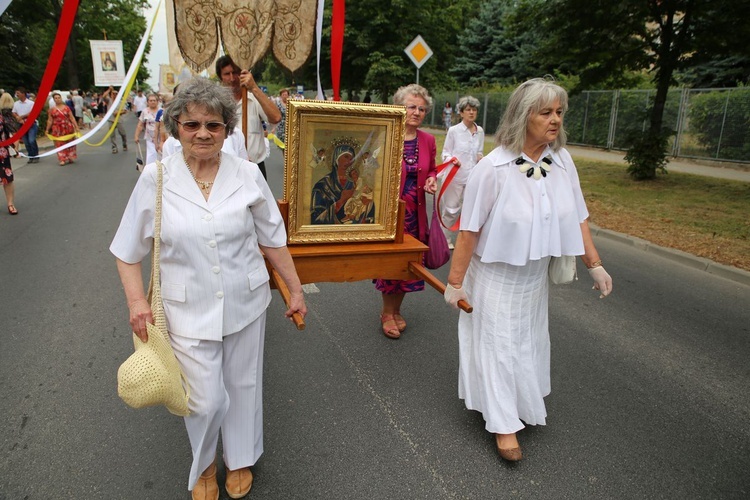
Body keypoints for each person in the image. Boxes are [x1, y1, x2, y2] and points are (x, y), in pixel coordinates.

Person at [110, 77, 307, 500]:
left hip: (247, 299)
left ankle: (240, 459)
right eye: (191, 124)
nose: (202, 133)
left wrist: (295, 290)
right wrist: (136, 302)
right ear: (175, 126)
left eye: (213, 125)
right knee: (205, 399)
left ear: (227, 129)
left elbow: (273, 240)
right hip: (186, 308)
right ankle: (203, 465)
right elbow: (127, 250)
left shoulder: (248, 174)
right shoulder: (156, 179)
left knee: (244, 387)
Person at [444, 78, 613, 462]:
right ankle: (503, 425)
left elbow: (580, 218)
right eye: (546, 112)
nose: (555, 120)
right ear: (523, 115)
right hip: (495, 278)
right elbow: (469, 231)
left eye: (559, 113)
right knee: (499, 346)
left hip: (534, 279)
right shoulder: (493, 168)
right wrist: (455, 284)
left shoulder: (562, 160)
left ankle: (518, 403)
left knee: (527, 344)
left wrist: (595, 264)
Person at [374, 84, 438, 339]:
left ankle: (397, 309)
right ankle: (387, 312)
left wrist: (433, 179)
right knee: (390, 264)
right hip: (389, 214)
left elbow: (431, 168)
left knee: (407, 266)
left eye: (422, 109)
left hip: (415, 214)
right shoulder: (386, 133)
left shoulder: (428, 140)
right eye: (412, 106)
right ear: (399, 107)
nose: (417, 112)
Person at [215, 55, 281, 179]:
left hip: (255, 169)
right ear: (221, 77)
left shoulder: (254, 99)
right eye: (227, 74)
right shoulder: (216, 105)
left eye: (235, 73)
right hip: (226, 172)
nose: (232, 78)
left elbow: (276, 117)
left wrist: (254, 87)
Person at [439, 95, 485, 247]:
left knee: (470, 209)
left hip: (473, 177)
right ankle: (444, 239)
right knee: (451, 209)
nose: (472, 112)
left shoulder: (480, 131)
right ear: (461, 112)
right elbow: (445, 153)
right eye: (468, 110)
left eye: (474, 110)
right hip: (455, 176)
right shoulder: (454, 131)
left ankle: (464, 240)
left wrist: (480, 157)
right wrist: (452, 160)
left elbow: (479, 151)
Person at [310, 139, 375, 225]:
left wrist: (367, 203)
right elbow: (315, 219)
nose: (349, 161)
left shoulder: (358, 182)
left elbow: (368, 203)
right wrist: (341, 200)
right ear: (336, 158)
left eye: (352, 158)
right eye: (346, 157)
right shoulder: (322, 185)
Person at [45, 92, 79, 166]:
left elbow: (72, 118)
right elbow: (50, 120)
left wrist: (76, 127)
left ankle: (70, 156)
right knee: (59, 144)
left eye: (58, 98)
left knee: (70, 142)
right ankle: (62, 158)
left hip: (68, 127)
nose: (57, 99)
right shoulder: (52, 110)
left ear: (61, 98)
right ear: (54, 100)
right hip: (57, 128)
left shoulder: (66, 108)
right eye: (55, 98)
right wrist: (47, 129)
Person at [0, 92, 19, 214]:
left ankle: (10, 204)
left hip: (2, 153)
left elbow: (14, 130)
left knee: (7, 178)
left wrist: (16, 147)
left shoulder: (3, 115)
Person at [12, 87, 40, 164]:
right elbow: (14, 112)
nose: (17, 95)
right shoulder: (16, 104)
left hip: (31, 124)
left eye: (18, 93)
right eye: (16, 93)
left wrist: (22, 116)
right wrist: (17, 117)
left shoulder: (31, 103)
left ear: (23, 94)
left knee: (31, 140)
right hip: (21, 124)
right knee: (26, 142)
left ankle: (35, 155)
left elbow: (33, 113)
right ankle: (31, 156)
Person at [134, 93, 161, 165]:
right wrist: (136, 136)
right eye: (151, 100)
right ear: (147, 102)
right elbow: (140, 125)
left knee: (161, 155)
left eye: (154, 100)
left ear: (157, 101)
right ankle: (151, 173)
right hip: (150, 138)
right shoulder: (145, 111)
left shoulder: (162, 111)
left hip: (161, 138)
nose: (152, 102)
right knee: (151, 155)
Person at [102, 87, 128, 154]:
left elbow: (125, 110)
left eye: (115, 94)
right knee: (112, 134)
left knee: (123, 133)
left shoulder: (121, 102)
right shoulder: (109, 101)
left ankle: (124, 144)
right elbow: (104, 96)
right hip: (111, 120)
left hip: (119, 120)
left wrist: (118, 113)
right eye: (113, 94)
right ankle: (114, 147)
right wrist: (109, 90)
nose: (114, 95)